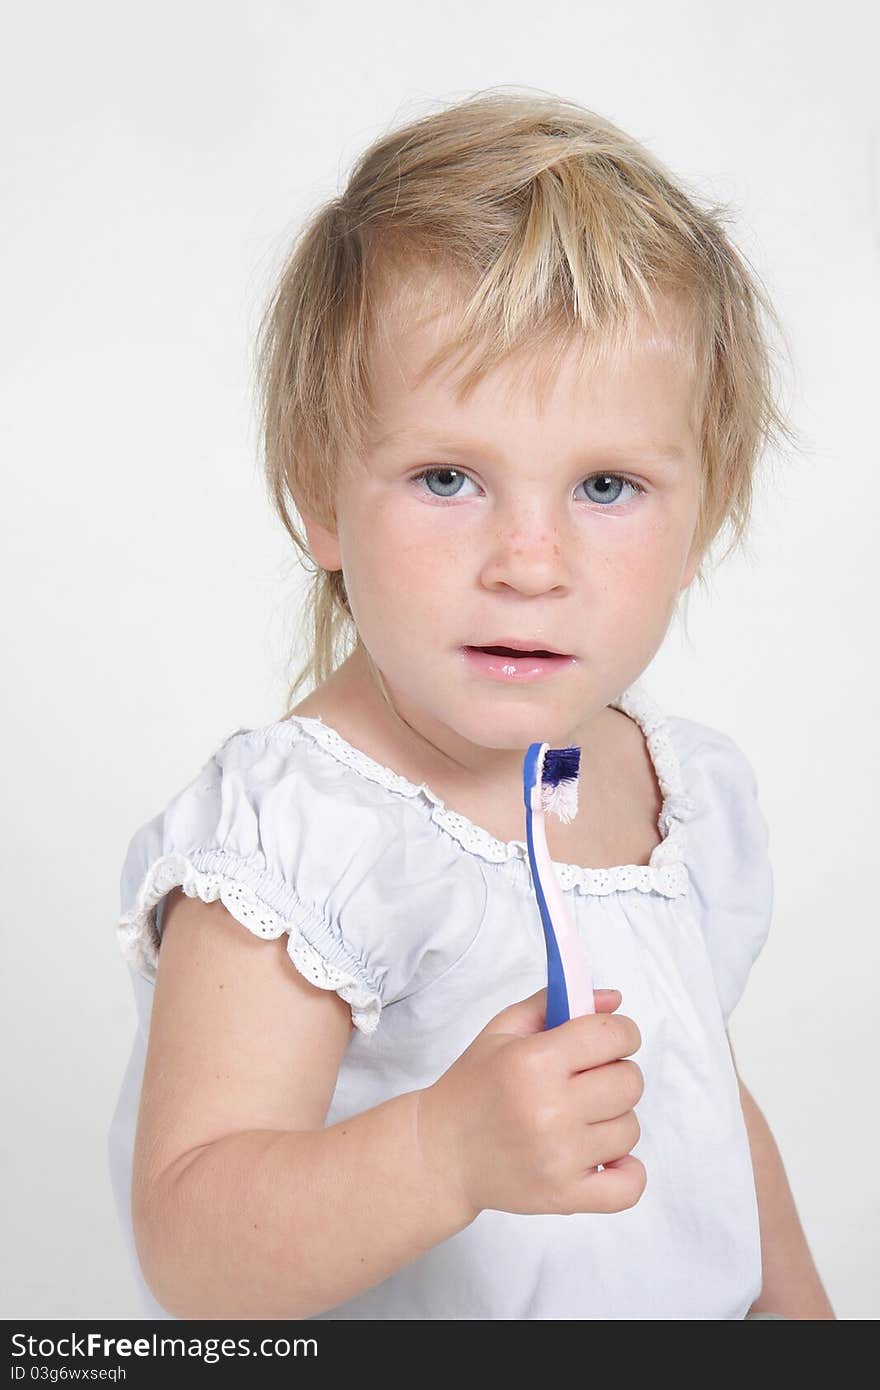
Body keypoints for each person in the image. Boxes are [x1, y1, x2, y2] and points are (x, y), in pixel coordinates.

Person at [109, 88, 835, 1320]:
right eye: (448, 476)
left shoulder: (676, 791)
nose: (530, 560)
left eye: (607, 484)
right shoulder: (302, 838)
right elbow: (195, 1243)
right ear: (322, 496)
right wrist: (442, 1151)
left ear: (704, 517)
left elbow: (702, 1109)